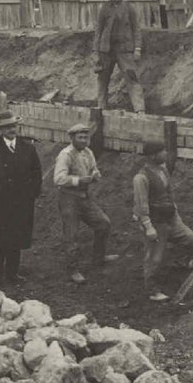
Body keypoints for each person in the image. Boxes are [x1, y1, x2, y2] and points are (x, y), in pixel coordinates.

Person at [133, 142, 193, 303]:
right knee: (154, 258)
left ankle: (186, 263)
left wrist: (175, 213)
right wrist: (148, 227)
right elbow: (141, 204)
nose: (165, 153)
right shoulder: (141, 178)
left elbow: (169, 193)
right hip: (155, 223)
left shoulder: (163, 169)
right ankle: (152, 291)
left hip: (170, 218)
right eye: (162, 152)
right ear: (152, 156)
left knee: (191, 239)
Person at [0, 110, 42, 286]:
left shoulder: (28, 148)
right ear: (0, 130)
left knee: (16, 239)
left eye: (12, 126)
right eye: (6, 127)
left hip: (21, 204)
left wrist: (31, 196)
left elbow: (37, 173)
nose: (10, 130)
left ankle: (12, 274)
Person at [54, 122, 118, 285]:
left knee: (103, 223)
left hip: (84, 196)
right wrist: (78, 180)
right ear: (72, 138)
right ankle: (72, 269)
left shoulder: (88, 152)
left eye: (86, 137)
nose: (83, 140)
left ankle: (99, 257)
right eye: (80, 137)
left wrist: (95, 174)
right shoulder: (66, 154)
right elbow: (58, 179)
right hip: (69, 198)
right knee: (72, 234)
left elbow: (94, 168)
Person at [93, 0, 145, 113]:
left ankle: (140, 109)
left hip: (125, 49)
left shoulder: (129, 8)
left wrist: (137, 48)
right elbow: (98, 30)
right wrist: (96, 51)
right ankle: (101, 107)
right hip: (106, 50)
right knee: (102, 79)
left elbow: (136, 29)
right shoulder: (104, 9)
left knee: (131, 77)